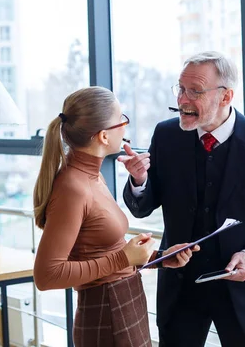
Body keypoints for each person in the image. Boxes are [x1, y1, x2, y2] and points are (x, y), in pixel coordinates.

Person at [119, 51, 245, 346]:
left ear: (226, 97)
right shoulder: (166, 134)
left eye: (194, 91)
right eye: (181, 89)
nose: (182, 100)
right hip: (180, 288)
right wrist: (139, 180)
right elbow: (143, 207)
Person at [32, 86, 199, 347]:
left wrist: (158, 258)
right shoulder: (73, 187)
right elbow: (47, 275)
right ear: (103, 136)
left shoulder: (92, 174)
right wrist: (124, 257)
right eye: (122, 120)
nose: (125, 127)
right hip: (105, 311)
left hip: (124, 301)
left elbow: (102, 252)